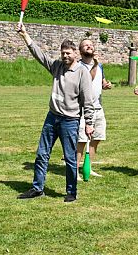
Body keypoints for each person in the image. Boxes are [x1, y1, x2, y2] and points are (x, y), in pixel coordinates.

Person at [17, 24, 94, 203]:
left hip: (70, 120)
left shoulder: (82, 72)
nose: (65, 56)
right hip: (52, 117)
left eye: (68, 53)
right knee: (42, 154)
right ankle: (37, 188)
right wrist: (25, 35)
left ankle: (71, 192)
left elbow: (88, 100)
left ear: (75, 53)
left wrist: (89, 122)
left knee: (69, 158)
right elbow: (40, 55)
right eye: (63, 53)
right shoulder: (57, 66)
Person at [76, 39, 112, 180]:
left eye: (91, 44)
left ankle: (88, 167)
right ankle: (75, 170)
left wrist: (106, 85)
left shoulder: (99, 66)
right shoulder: (77, 66)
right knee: (81, 140)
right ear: (80, 50)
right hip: (83, 109)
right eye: (86, 45)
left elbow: (101, 82)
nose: (89, 46)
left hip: (99, 107)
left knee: (97, 138)